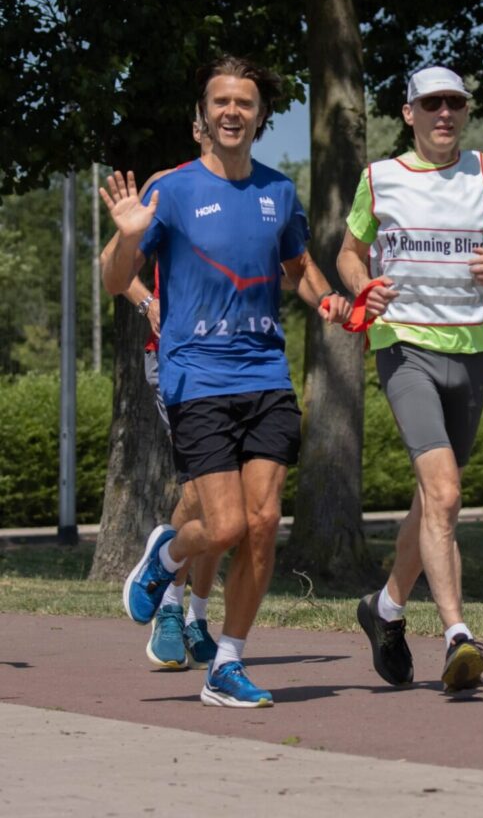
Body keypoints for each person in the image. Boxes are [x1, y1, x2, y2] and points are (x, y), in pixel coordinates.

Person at [100, 53, 351, 709]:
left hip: (266, 372)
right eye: (221, 103)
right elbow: (110, 277)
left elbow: (298, 269)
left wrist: (333, 305)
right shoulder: (172, 190)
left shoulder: (279, 192)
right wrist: (127, 239)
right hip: (198, 376)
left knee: (264, 523)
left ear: (259, 117)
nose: (232, 111)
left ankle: (226, 665)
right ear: (201, 120)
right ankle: (165, 558)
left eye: (244, 103)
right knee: (225, 526)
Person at [337, 64, 483, 693]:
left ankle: (385, 608)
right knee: (445, 495)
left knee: (431, 501)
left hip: (471, 352)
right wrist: (362, 287)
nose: (444, 114)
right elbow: (348, 251)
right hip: (404, 348)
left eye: (454, 103)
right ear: (409, 112)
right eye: (432, 104)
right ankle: (457, 635)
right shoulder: (380, 177)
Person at [112, 115, 222, 671]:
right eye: (212, 114)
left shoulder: (254, 191)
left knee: (236, 502)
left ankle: (198, 612)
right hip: (176, 359)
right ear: (197, 124)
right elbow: (115, 266)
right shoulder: (167, 184)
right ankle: (173, 605)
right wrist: (144, 301)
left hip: (238, 366)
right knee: (206, 493)